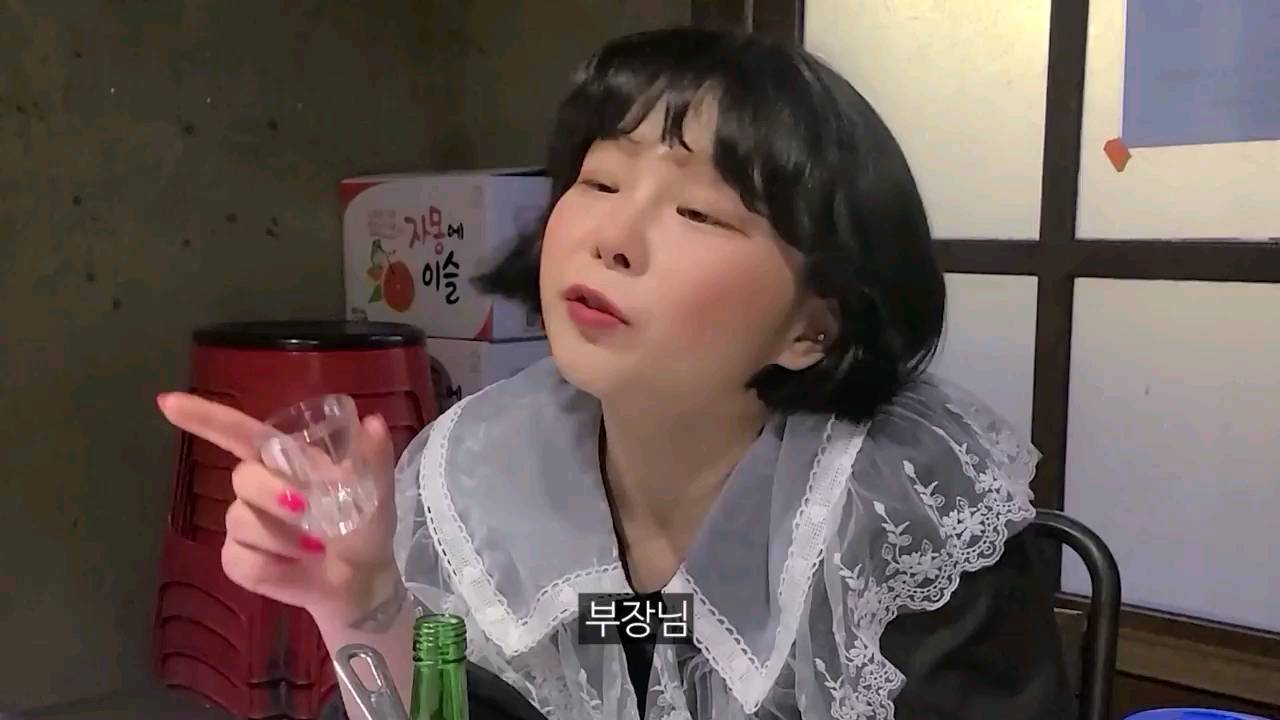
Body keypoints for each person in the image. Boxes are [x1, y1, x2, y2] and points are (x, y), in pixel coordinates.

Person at [158, 27, 1074, 720]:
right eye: (598, 182)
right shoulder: (480, 474)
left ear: (811, 328)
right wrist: (362, 602)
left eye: (699, 212)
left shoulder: (903, 518)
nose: (611, 237)